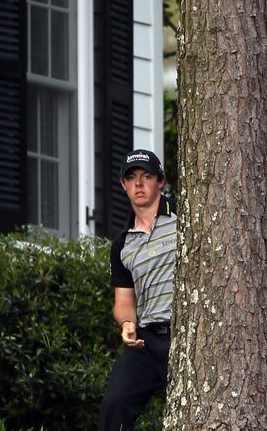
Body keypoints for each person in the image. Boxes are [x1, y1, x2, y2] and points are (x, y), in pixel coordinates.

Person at [99, 149, 177, 430]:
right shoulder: (121, 244)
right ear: (123, 185)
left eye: (147, 176)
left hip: (185, 336)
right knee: (114, 405)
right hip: (146, 340)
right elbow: (123, 301)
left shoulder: (185, 220)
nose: (139, 184)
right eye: (131, 178)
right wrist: (127, 323)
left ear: (161, 182)